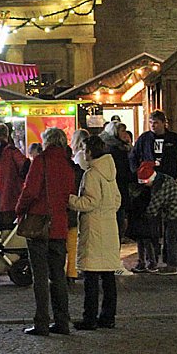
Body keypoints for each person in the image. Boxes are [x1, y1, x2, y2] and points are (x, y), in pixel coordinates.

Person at [17, 127, 75, 336]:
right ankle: (62, 321)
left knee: (40, 276)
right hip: (60, 226)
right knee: (58, 275)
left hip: (40, 226)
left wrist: (20, 209)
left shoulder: (40, 161)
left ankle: (41, 322)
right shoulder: (68, 164)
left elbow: (30, 191)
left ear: (46, 142)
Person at [68, 136, 122, 330]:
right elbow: (117, 200)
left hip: (94, 228)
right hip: (109, 226)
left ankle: (89, 318)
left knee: (90, 276)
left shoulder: (91, 174)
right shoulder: (109, 172)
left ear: (89, 151)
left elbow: (90, 202)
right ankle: (108, 317)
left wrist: (71, 200)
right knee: (108, 276)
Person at [139, 161, 177, 275]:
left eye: (145, 182)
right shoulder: (165, 178)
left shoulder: (159, 188)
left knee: (170, 238)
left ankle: (172, 266)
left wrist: (145, 217)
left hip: (176, 212)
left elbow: (153, 208)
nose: (144, 185)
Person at [100, 121, 134, 276]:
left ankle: (107, 263)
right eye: (122, 131)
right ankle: (113, 263)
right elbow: (124, 174)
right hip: (117, 194)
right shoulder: (116, 151)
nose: (124, 134)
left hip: (110, 194)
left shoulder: (107, 148)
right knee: (116, 228)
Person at [0, 123, 28, 228]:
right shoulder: (13, 152)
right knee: (8, 238)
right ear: (7, 135)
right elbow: (26, 168)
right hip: (10, 201)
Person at [130, 110, 177, 183]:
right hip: (148, 178)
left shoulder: (174, 138)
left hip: (169, 177)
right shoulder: (144, 138)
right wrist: (137, 173)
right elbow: (133, 156)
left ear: (163, 123)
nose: (152, 125)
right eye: (150, 122)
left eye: (156, 123)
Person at [67, 129, 89, 282]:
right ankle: (72, 271)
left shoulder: (79, 158)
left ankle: (71, 271)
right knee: (74, 239)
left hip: (71, 206)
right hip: (76, 208)